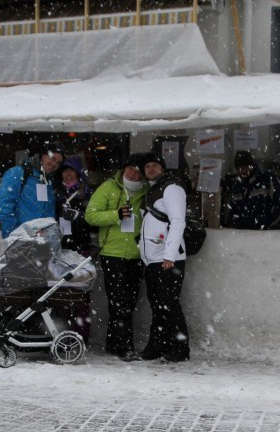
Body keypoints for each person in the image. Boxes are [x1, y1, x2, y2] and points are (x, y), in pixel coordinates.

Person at [85, 154, 149, 361]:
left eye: (138, 171)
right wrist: (115, 215)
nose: (134, 174)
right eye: (130, 169)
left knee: (128, 303)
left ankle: (114, 343)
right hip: (112, 254)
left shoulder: (146, 191)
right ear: (123, 169)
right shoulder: (109, 187)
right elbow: (91, 215)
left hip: (137, 255)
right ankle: (124, 347)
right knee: (119, 302)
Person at [138, 152, 190, 363]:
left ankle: (179, 348)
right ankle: (158, 345)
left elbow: (178, 222)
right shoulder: (152, 191)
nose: (150, 169)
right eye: (147, 166)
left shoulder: (172, 188)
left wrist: (169, 255)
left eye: (154, 165)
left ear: (163, 168)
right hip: (153, 259)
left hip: (169, 258)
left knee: (169, 303)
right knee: (158, 304)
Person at [0, 143, 65, 239]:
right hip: (21, 238)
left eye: (58, 163)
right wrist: (14, 234)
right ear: (43, 156)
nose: (54, 164)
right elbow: (3, 206)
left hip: (44, 240)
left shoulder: (49, 182)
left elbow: (49, 213)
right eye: (53, 159)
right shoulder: (18, 173)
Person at [221, 150, 280, 230]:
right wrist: (236, 226)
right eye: (238, 169)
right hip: (244, 236)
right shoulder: (237, 185)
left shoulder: (267, 179)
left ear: (251, 166)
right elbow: (233, 212)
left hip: (267, 235)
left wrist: (269, 225)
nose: (241, 171)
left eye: (243, 168)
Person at [54, 156, 94, 254]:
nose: (68, 174)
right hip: (60, 244)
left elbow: (95, 219)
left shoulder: (87, 193)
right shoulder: (55, 192)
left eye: (71, 170)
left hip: (82, 243)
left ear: (78, 172)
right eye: (64, 171)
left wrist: (79, 216)